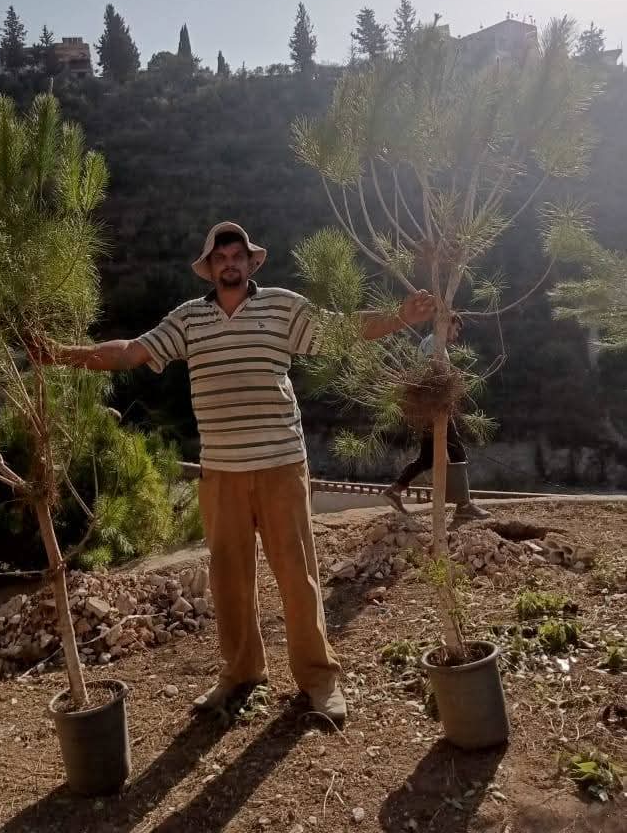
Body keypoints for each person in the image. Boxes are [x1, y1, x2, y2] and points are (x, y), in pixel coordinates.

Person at [37, 222, 434, 725]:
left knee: (298, 577)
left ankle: (319, 679)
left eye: (237, 256)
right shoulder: (188, 319)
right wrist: (62, 354)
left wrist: (400, 316)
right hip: (221, 472)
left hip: (281, 466)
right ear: (210, 267)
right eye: (220, 257)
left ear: (250, 263)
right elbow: (132, 351)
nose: (229, 263)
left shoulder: (282, 307)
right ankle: (242, 671)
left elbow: (341, 329)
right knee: (229, 580)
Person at [383, 315, 489, 520]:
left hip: (427, 410)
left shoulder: (429, 342)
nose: (456, 335)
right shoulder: (434, 343)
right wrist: (453, 379)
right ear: (446, 324)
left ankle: (395, 490)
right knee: (457, 453)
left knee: (427, 458)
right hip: (436, 410)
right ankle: (463, 505)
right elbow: (434, 373)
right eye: (455, 329)